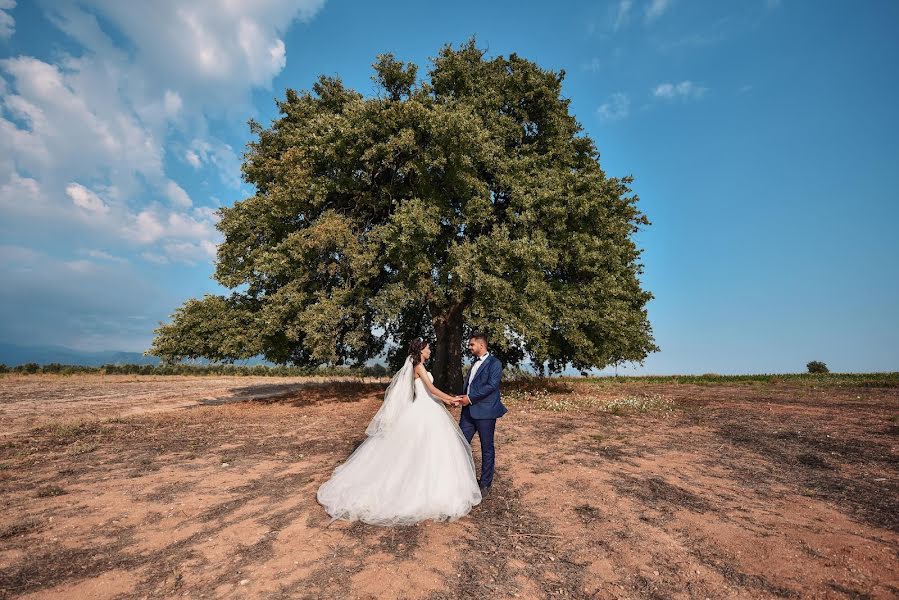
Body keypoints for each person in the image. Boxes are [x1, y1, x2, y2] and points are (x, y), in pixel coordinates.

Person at [316, 338, 482, 525]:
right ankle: (419, 489)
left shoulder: (418, 365)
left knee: (430, 449)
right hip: (424, 410)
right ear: (421, 351)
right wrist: (450, 399)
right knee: (420, 449)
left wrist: (445, 401)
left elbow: (430, 392)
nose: (430, 351)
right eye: (428, 349)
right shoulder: (418, 366)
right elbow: (432, 389)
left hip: (430, 408)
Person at [454, 331, 507, 497]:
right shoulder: (474, 363)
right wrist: (462, 397)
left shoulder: (495, 363)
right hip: (468, 412)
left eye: (471, 345)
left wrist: (469, 398)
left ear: (481, 345)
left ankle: (485, 484)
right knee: (460, 445)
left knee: (487, 447)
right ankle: (461, 480)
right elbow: (471, 385)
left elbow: (491, 386)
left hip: (486, 411)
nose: (469, 347)